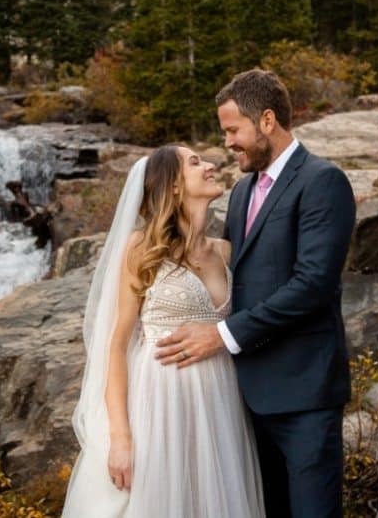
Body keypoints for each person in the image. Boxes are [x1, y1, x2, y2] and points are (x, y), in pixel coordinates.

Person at [156, 69, 356, 518]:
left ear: (267, 121)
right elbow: (233, 278)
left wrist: (222, 335)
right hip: (244, 398)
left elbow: (313, 285)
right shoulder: (244, 190)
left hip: (305, 395)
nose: (227, 142)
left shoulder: (323, 182)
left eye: (232, 130)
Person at [61, 145, 264, 518]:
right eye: (195, 162)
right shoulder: (142, 247)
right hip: (158, 402)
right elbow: (117, 345)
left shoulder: (225, 251)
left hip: (219, 402)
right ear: (172, 185)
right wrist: (120, 437)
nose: (210, 165)